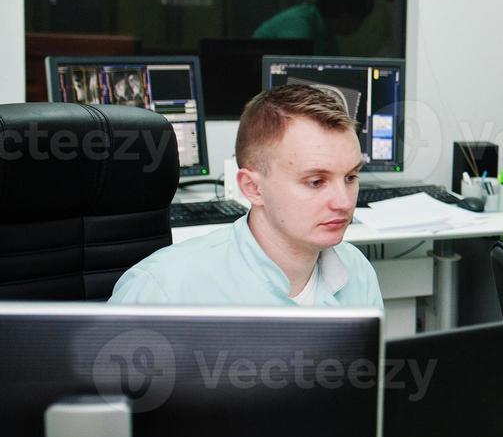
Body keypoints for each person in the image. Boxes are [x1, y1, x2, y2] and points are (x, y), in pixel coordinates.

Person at [110, 84, 383, 307]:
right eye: (315, 182)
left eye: (350, 177)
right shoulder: (163, 290)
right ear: (253, 188)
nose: (344, 202)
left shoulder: (357, 272)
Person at [253, 0, 375, 56]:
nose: (360, 26)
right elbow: (295, 71)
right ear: (345, 16)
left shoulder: (327, 33)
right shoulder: (298, 23)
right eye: (360, 19)